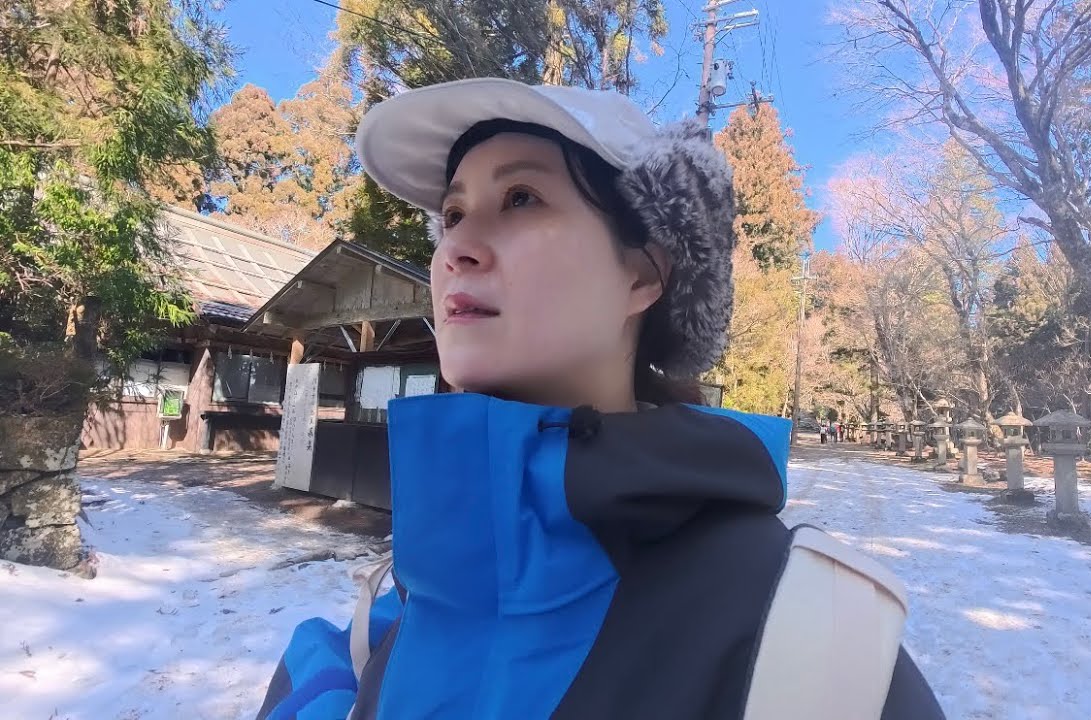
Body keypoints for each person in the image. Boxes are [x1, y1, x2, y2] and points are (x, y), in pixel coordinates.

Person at [255, 78, 944, 720]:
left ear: (644, 274)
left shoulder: (811, 638)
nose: (456, 246)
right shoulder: (410, 597)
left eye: (521, 197)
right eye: (453, 212)